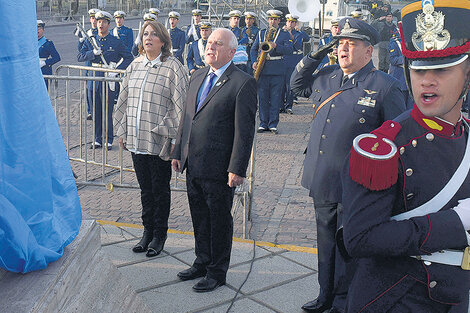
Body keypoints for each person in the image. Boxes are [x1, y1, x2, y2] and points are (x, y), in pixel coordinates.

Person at [341, 1, 470, 312]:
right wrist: (456, 223)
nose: (426, 80)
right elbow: (360, 238)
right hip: (399, 297)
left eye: (442, 69)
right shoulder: (382, 147)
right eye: (418, 69)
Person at [290, 18, 406, 313]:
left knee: (349, 247)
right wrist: (316, 54)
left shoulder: (384, 86)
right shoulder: (327, 77)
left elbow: (398, 139)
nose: (343, 49)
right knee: (326, 243)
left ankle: (344, 302)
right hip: (323, 178)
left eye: (351, 44)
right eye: (340, 43)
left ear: (369, 52)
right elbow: (296, 85)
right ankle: (324, 295)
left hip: (357, 184)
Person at [171, 28, 257, 293]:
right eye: (209, 43)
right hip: (193, 163)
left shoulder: (242, 82)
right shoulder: (197, 75)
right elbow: (187, 118)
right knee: (199, 216)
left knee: (219, 220)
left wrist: (237, 168)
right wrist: (177, 152)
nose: (211, 47)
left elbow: (244, 131)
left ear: (232, 52)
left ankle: (217, 271)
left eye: (218, 44)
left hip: (220, 167)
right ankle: (202, 261)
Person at [114, 20, 189, 258]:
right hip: (137, 141)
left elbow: (180, 106)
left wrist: (170, 134)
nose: (148, 38)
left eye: (154, 34)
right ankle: (147, 232)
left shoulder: (173, 67)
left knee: (160, 189)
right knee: (145, 190)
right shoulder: (135, 65)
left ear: (163, 41)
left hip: (159, 141)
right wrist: (122, 130)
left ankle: (159, 235)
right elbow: (123, 101)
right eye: (145, 34)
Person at [77, 11, 133, 150]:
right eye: (99, 21)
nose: (100, 24)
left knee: (107, 110)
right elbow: (80, 56)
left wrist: (116, 70)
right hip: (93, 78)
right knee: (95, 111)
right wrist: (92, 53)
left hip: (108, 78)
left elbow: (129, 57)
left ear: (108, 24)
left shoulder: (115, 41)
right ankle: (97, 139)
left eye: (103, 22)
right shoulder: (91, 41)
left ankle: (108, 139)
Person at [251, 9, 293, 134]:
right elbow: (253, 50)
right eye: (271, 19)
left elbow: (289, 50)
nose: (273, 21)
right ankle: (263, 123)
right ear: (268, 20)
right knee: (263, 98)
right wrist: (254, 61)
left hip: (277, 70)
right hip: (263, 69)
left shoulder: (284, 34)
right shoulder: (261, 33)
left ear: (279, 21)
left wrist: (276, 47)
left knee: (275, 99)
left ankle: (273, 124)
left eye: (275, 19)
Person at [281, 14, 309, 114]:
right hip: (283, 60)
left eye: (293, 22)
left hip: (293, 60)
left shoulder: (298, 34)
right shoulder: (282, 32)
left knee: (290, 85)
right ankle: (281, 105)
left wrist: (292, 36)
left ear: (295, 23)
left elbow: (298, 46)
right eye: (289, 21)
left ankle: (289, 106)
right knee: (281, 84)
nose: (290, 24)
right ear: (286, 22)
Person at [74, 8, 99, 119]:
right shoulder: (87, 32)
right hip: (89, 64)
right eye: (92, 18)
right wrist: (81, 39)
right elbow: (81, 51)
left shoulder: (102, 32)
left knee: (98, 90)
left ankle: (98, 110)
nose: (93, 20)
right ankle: (90, 111)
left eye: (95, 18)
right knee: (89, 89)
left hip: (99, 66)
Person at [388, 29, 413, 109]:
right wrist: (406, 58)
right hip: (399, 76)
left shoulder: (412, 41)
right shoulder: (395, 42)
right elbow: (393, 60)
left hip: (410, 78)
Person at [37, 20, 60, 89]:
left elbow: (57, 57)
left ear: (43, 30)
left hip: (44, 71)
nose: (37, 30)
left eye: (39, 28)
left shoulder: (48, 43)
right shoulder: (30, 43)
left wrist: (44, 63)